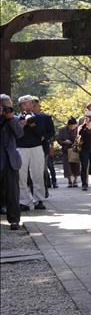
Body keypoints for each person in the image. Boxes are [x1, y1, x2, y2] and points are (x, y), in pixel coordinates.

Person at [16, 95, 47, 211]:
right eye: (24, 104)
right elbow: (15, 135)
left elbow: (42, 134)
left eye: (29, 103)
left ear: (33, 105)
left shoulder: (40, 118)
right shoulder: (16, 119)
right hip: (20, 148)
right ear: (20, 106)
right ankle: (23, 201)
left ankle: (38, 200)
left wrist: (33, 125)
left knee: (38, 174)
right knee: (21, 176)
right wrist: (21, 125)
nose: (27, 106)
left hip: (36, 147)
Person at [1, 96, 24, 230]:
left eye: (9, 106)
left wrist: (10, 119)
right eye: (5, 106)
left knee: (13, 192)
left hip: (11, 161)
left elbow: (19, 134)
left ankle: (14, 220)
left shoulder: (14, 119)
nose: (7, 108)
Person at [57, 118, 81, 188]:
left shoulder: (78, 129)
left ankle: (75, 180)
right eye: (71, 126)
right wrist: (64, 142)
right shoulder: (62, 130)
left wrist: (76, 143)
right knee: (67, 166)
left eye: (74, 126)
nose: (72, 127)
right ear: (68, 125)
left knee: (76, 165)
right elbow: (59, 139)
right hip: (66, 150)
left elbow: (81, 138)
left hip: (75, 150)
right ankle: (69, 181)